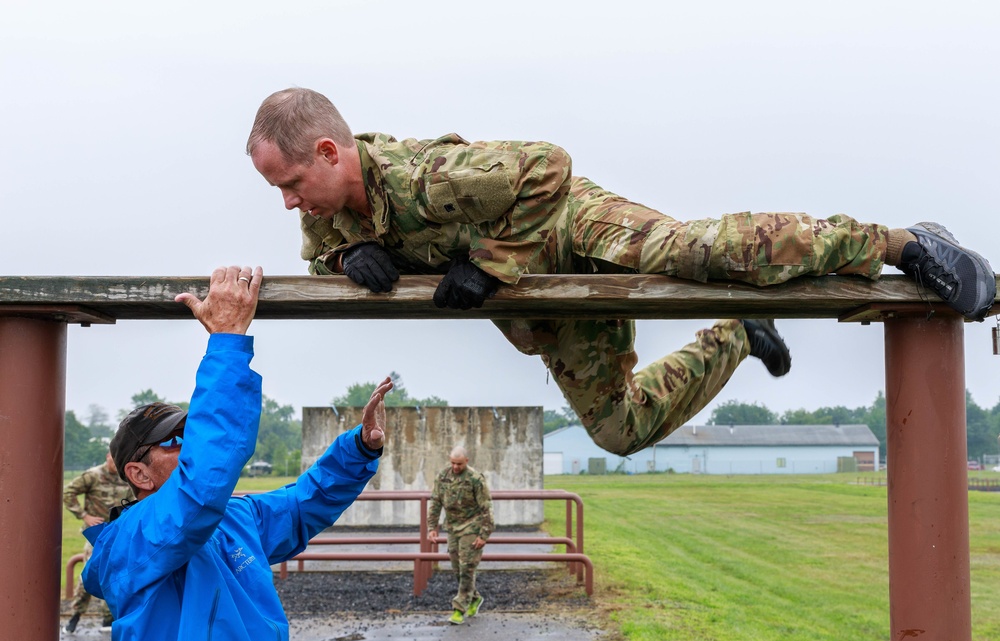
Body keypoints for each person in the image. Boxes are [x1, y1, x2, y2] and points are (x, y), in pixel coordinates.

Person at [246, 87, 996, 458]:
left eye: (290, 183)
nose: (287, 204)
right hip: (541, 301)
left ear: (327, 154)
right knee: (616, 428)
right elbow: (316, 255)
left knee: (697, 254)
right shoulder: (325, 213)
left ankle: (900, 243)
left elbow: (548, 166)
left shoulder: (426, 176)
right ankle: (738, 336)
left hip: (570, 222)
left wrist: (490, 262)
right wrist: (347, 257)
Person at [81, 265, 394, 641]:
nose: (191, 444)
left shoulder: (236, 517)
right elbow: (201, 487)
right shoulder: (130, 540)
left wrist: (358, 450)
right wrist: (227, 341)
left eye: (194, 432)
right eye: (176, 440)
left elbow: (302, 505)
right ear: (139, 474)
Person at [62, 449, 134, 634]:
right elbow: (68, 492)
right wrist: (84, 515)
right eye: (113, 459)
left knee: (117, 576)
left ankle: (108, 620)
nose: (116, 463)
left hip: (118, 535)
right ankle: (75, 617)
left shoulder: (126, 476)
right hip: (97, 535)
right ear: (108, 457)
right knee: (90, 575)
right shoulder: (93, 476)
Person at [427, 446, 494, 625]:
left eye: (459, 464)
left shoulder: (475, 479)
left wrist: (484, 534)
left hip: (472, 526)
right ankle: (474, 598)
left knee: (467, 567)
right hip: (452, 527)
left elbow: (486, 507)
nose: (455, 467)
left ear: (467, 461)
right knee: (458, 569)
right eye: (453, 463)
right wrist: (432, 527)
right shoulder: (443, 476)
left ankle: (459, 609)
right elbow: (435, 501)